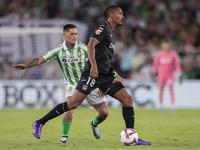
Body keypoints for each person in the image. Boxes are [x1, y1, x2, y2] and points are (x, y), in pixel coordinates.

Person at [28, 5, 151, 145]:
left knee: (127, 99)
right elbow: (91, 45)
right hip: (92, 75)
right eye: (120, 14)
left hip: (106, 76)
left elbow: (104, 59)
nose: (122, 16)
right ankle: (39, 123)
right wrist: (93, 67)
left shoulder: (110, 32)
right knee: (72, 104)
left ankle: (131, 136)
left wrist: (114, 75)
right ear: (111, 15)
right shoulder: (103, 28)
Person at [13, 24, 124, 143]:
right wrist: (26, 65)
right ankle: (64, 136)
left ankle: (94, 124)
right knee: (69, 108)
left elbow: (101, 63)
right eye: (71, 34)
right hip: (73, 84)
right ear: (64, 35)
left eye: (76, 34)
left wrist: (114, 75)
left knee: (104, 113)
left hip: (91, 83)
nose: (74, 36)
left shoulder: (84, 48)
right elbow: (41, 59)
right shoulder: (58, 51)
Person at [151, 40, 182, 113]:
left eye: (167, 46)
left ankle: (172, 106)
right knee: (161, 90)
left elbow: (177, 64)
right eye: (165, 46)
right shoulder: (159, 54)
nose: (166, 47)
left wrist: (179, 73)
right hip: (161, 76)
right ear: (162, 47)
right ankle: (161, 106)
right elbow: (155, 64)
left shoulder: (173, 54)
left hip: (170, 76)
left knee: (171, 90)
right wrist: (153, 72)